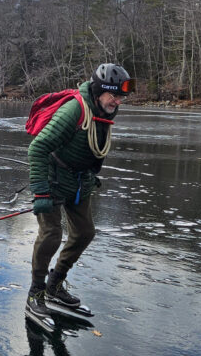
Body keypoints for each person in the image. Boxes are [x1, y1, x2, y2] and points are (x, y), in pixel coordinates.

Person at [26, 63, 133, 328]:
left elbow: (93, 145)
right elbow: (37, 149)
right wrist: (41, 192)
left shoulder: (106, 109)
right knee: (51, 234)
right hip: (52, 177)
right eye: (114, 95)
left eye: (121, 96)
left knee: (84, 232)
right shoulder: (75, 109)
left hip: (78, 179)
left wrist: (90, 173)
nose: (118, 101)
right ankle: (35, 294)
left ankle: (55, 285)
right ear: (98, 91)